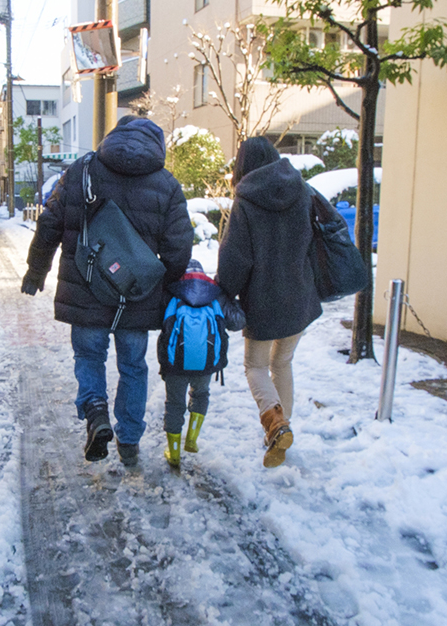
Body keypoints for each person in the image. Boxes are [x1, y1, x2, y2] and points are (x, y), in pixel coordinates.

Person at [21, 116, 194, 467]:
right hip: (136, 295)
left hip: (86, 287)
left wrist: (37, 269)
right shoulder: (166, 184)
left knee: (89, 356)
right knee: (133, 366)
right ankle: (128, 440)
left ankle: (96, 410)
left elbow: (50, 221)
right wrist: (162, 286)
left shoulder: (82, 171)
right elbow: (179, 247)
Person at [216, 137, 323, 468]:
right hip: (300, 295)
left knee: (256, 366)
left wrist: (224, 291)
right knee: (283, 362)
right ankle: (280, 430)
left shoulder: (246, 201)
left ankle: (276, 424)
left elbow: (235, 258)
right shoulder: (302, 191)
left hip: (263, 300)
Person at [158, 259, 245, 467]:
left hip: (175, 363)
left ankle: (174, 452)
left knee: (174, 404)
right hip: (206, 361)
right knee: (201, 394)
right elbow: (237, 322)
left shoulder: (173, 292)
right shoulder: (214, 294)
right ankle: (192, 439)